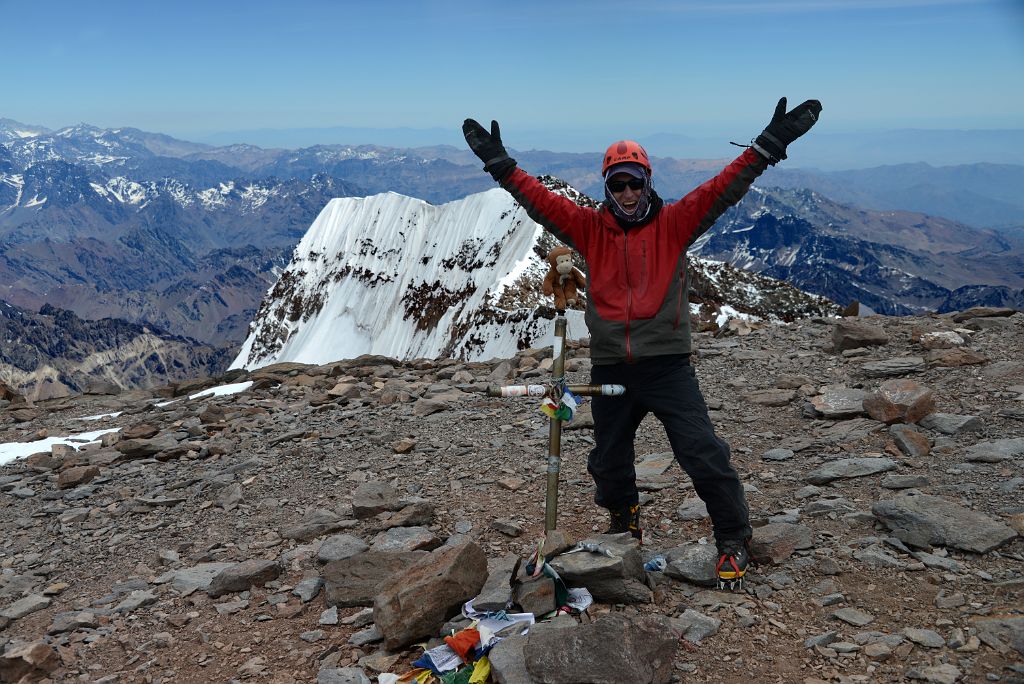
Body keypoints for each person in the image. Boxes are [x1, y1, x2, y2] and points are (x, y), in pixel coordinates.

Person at [463, 98, 821, 589]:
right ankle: (624, 522)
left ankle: (734, 537)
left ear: (647, 181)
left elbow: (724, 188)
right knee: (608, 459)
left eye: (635, 182)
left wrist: (769, 145)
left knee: (701, 451)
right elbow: (540, 202)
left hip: (668, 367)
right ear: (606, 187)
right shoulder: (589, 230)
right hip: (611, 366)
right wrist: (501, 166)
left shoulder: (675, 224)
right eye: (618, 184)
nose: (627, 192)